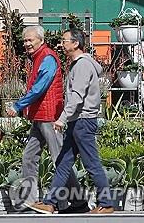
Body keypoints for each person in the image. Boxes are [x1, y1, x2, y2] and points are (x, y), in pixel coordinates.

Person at [28, 28, 114, 214]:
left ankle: (106, 203)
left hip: (83, 121)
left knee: (91, 163)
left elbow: (76, 96)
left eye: (65, 40)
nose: (62, 44)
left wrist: (61, 119)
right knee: (63, 163)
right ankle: (50, 203)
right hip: (77, 121)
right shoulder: (77, 64)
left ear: (76, 43)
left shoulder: (83, 65)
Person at [7, 25, 88, 213]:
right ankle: (30, 199)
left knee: (59, 159)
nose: (26, 43)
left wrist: (18, 105)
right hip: (39, 115)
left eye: (30, 40)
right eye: (25, 40)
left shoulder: (48, 58)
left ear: (41, 40)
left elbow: (39, 88)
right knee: (29, 157)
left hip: (50, 116)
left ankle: (78, 202)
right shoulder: (37, 57)